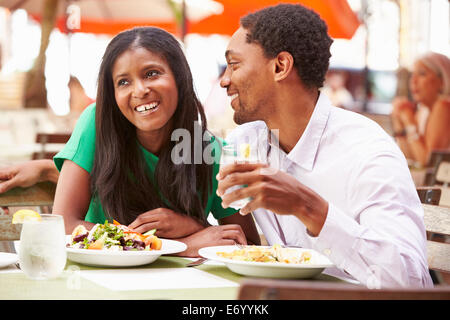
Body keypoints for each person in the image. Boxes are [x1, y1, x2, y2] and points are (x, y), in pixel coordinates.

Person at [215, 4, 432, 288]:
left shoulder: (367, 150)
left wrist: (307, 206)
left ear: (280, 66)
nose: (224, 80)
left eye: (234, 65)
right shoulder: (246, 143)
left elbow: (410, 282)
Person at [0, 27, 260, 256]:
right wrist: (180, 244)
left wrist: (195, 228)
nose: (139, 90)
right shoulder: (97, 124)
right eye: (123, 82)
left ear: (180, 79)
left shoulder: (209, 151)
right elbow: (65, 226)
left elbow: (247, 245)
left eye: (151, 73)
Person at [391, 52, 450, 167]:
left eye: (422, 74)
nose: (413, 80)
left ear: (442, 81)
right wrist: (399, 123)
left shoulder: (443, 106)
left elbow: (427, 163)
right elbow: (408, 156)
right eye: (412, 75)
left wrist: (409, 121)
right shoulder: (424, 110)